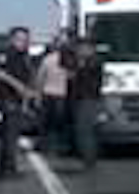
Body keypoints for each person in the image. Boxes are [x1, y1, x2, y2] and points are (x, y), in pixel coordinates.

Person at [0, 26, 38, 178]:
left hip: (18, 99)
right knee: (9, 135)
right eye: (19, 39)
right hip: (8, 98)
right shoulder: (7, 54)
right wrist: (19, 86)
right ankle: (8, 169)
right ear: (11, 39)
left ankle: (8, 166)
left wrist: (30, 90)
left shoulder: (24, 56)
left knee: (12, 134)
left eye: (25, 39)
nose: (23, 42)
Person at [65, 34, 105, 170]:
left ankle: (89, 159)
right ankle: (88, 158)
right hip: (83, 99)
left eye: (81, 48)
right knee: (84, 131)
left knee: (85, 131)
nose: (78, 51)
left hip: (88, 99)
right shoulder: (85, 62)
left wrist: (79, 66)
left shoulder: (93, 62)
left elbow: (83, 77)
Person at [37, 38, 71, 155]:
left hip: (48, 92)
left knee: (46, 122)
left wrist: (38, 95)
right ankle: (61, 145)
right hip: (62, 94)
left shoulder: (47, 59)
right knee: (60, 123)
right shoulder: (68, 60)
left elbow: (40, 78)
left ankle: (44, 145)